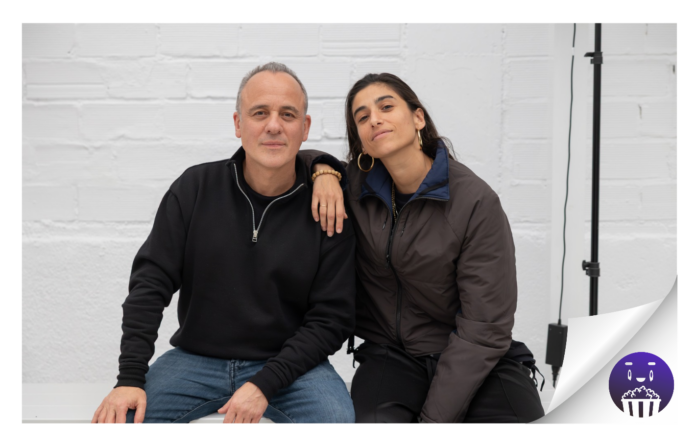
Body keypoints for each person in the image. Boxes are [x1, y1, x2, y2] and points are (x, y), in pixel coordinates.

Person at [91, 62, 356, 424]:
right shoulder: (195, 188)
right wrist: (130, 377)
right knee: (122, 423)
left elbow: (332, 317)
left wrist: (265, 383)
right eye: (259, 113)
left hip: (291, 367)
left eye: (288, 114)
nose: (274, 125)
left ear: (305, 127)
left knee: (336, 423)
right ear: (238, 124)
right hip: (195, 361)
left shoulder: (328, 206)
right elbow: (150, 285)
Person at [302, 73, 546, 423]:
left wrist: (431, 424)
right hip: (391, 357)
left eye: (386, 107)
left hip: (476, 358)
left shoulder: (475, 202)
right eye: (362, 117)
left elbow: (485, 327)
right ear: (362, 142)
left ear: (418, 118)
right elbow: (292, 160)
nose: (374, 119)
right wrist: (322, 170)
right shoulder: (355, 188)